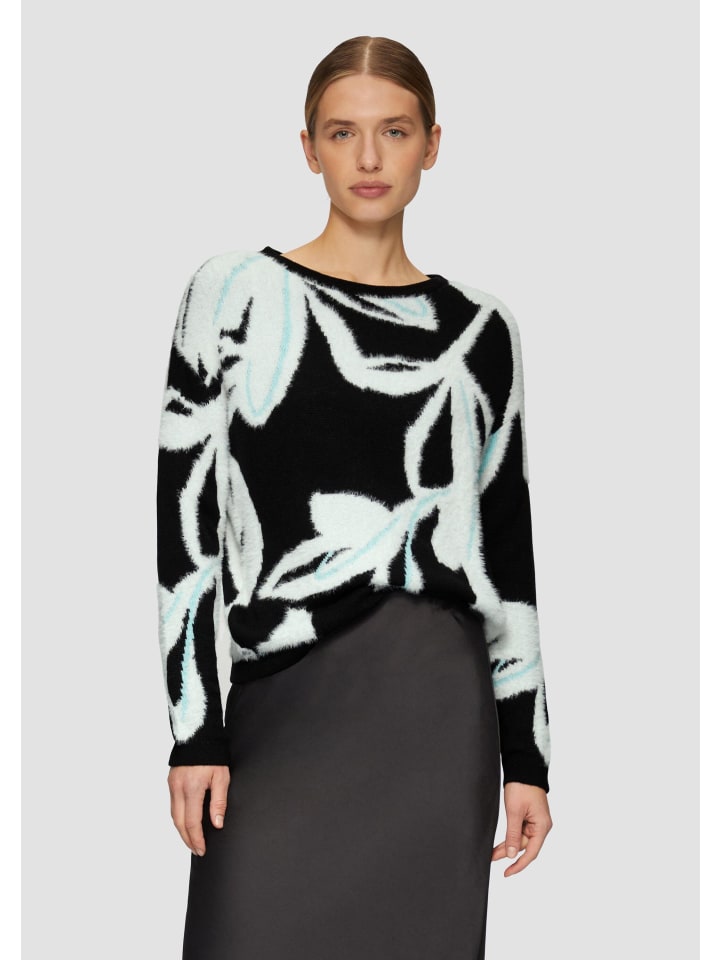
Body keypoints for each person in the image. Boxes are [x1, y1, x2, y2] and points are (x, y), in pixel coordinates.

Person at [156, 35, 553, 960]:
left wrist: (527, 757)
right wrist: (193, 732)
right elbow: (186, 533)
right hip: (281, 706)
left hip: (436, 717)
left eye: (395, 131)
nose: (369, 157)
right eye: (343, 132)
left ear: (432, 144)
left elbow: (508, 553)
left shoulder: (481, 331)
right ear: (308, 148)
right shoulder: (233, 295)